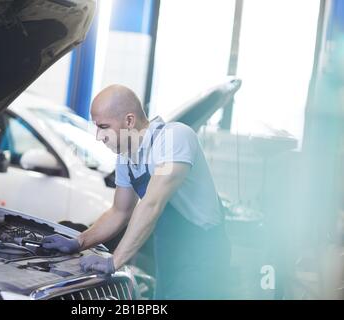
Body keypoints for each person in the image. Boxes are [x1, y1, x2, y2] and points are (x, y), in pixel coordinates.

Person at [42, 84, 230, 299]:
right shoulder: (127, 158)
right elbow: (119, 212)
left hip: (204, 254)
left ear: (129, 121)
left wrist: (115, 260)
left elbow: (152, 204)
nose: (98, 136)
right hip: (170, 251)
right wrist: (79, 241)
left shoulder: (172, 139)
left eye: (103, 126)